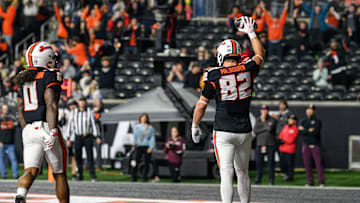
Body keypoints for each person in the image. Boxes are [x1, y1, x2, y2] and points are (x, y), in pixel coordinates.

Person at [192, 16, 265, 203]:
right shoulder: (248, 68)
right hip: (244, 130)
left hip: (223, 130)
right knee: (243, 172)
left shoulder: (213, 75)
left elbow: (201, 105)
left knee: (226, 172)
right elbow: (259, 54)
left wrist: (195, 125)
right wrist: (251, 33)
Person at [13, 41, 69, 203]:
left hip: (29, 129)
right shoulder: (50, 74)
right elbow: (51, 104)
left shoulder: (22, 78)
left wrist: (26, 130)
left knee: (30, 170)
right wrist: (52, 131)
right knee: (59, 173)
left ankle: (20, 194)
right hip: (45, 126)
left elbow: (20, 107)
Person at [67, 97, 101, 182]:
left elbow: (93, 124)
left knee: (90, 156)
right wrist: (68, 138)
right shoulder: (74, 113)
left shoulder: (90, 112)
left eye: (83, 102)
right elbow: (70, 125)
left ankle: (93, 175)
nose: (82, 103)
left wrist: (97, 136)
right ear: (78, 103)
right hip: (78, 136)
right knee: (78, 156)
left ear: (85, 103)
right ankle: (80, 174)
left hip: (87, 136)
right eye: (80, 102)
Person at [299, 104, 325, 187]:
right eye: (308, 109)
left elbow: (315, 132)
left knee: (318, 164)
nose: (309, 111)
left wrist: (305, 130)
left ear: (314, 111)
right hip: (306, 144)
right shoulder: (303, 121)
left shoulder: (317, 120)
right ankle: (310, 182)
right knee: (307, 164)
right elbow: (300, 132)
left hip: (315, 145)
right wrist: (308, 130)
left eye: (311, 109)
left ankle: (321, 182)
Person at [254, 104, 277, 185]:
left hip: (270, 144)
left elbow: (270, 129)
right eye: (263, 109)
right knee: (259, 163)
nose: (264, 111)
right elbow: (255, 130)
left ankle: (271, 180)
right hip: (260, 144)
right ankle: (258, 179)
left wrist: (263, 121)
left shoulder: (272, 119)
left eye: (265, 110)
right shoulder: (257, 119)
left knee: (270, 164)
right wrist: (265, 126)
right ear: (260, 110)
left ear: (268, 111)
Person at [132, 113, 155, 182]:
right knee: (135, 162)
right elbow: (134, 136)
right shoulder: (137, 127)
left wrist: (151, 147)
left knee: (146, 162)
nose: (144, 119)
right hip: (138, 146)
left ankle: (144, 177)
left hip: (146, 146)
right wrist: (134, 144)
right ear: (140, 118)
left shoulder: (150, 128)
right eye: (142, 117)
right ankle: (134, 177)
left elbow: (152, 138)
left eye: (145, 117)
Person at [0, 104, 18, 179]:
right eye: (4, 109)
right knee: (1, 160)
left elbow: (16, 124)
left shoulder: (12, 118)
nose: (5, 110)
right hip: (1, 143)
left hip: (11, 143)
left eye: (6, 109)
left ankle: (15, 175)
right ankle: (4, 175)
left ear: (8, 109)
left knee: (13, 159)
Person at [278, 114, 298, 181]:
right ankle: (286, 174)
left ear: (295, 121)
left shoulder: (295, 128)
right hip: (283, 148)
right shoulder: (285, 127)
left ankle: (290, 176)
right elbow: (281, 135)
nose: (290, 121)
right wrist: (281, 140)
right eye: (289, 119)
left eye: (292, 120)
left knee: (290, 164)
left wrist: (284, 140)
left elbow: (292, 139)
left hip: (290, 149)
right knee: (284, 163)